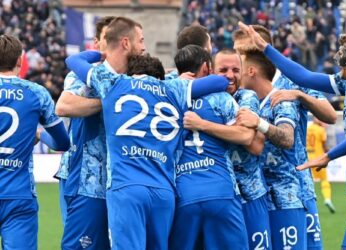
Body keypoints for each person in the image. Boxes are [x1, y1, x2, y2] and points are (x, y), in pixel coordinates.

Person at [66, 46, 230, 249]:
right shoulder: (172, 88)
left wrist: (102, 54)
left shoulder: (115, 82)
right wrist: (174, 78)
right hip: (163, 191)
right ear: (159, 76)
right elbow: (221, 81)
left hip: (126, 187)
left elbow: (74, 60)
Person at [237, 21, 346, 248]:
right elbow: (306, 76)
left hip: (293, 187)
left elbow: (325, 109)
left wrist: (300, 97)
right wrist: (329, 156)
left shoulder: (284, 81)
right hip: (256, 189)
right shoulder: (345, 83)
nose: (339, 58)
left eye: (242, 52)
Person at [169, 45, 252, 250]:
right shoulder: (221, 98)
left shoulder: (167, 98)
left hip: (183, 194)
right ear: (207, 67)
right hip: (221, 190)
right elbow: (246, 135)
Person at [56, 16, 121, 250]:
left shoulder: (129, 76)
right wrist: (110, 102)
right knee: (83, 242)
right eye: (107, 38)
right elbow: (64, 106)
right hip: (83, 175)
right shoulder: (85, 73)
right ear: (97, 42)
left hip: (117, 176)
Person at [0, 35, 69, 250]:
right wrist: (39, 135)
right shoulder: (37, 93)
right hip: (18, 195)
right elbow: (62, 143)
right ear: (20, 61)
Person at [235, 50, 307, 250]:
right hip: (259, 199)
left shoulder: (280, 99)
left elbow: (287, 138)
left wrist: (259, 124)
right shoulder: (247, 102)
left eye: (238, 68)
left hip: (285, 198)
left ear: (250, 71)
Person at [214, 48, 271, 249]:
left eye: (235, 70)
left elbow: (255, 145)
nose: (230, 75)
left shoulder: (247, 97)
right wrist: (235, 129)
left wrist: (208, 126)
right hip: (220, 196)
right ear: (211, 71)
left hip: (251, 195)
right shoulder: (204, 99)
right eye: (223, 70)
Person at [307, 117, 336, 213]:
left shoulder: (308, 128)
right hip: (318, 159)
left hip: (308, 159)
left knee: (309, 182)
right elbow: (324, 145)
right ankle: (327, 199)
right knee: (324, 180)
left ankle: (308, 201)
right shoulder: (320, 130)